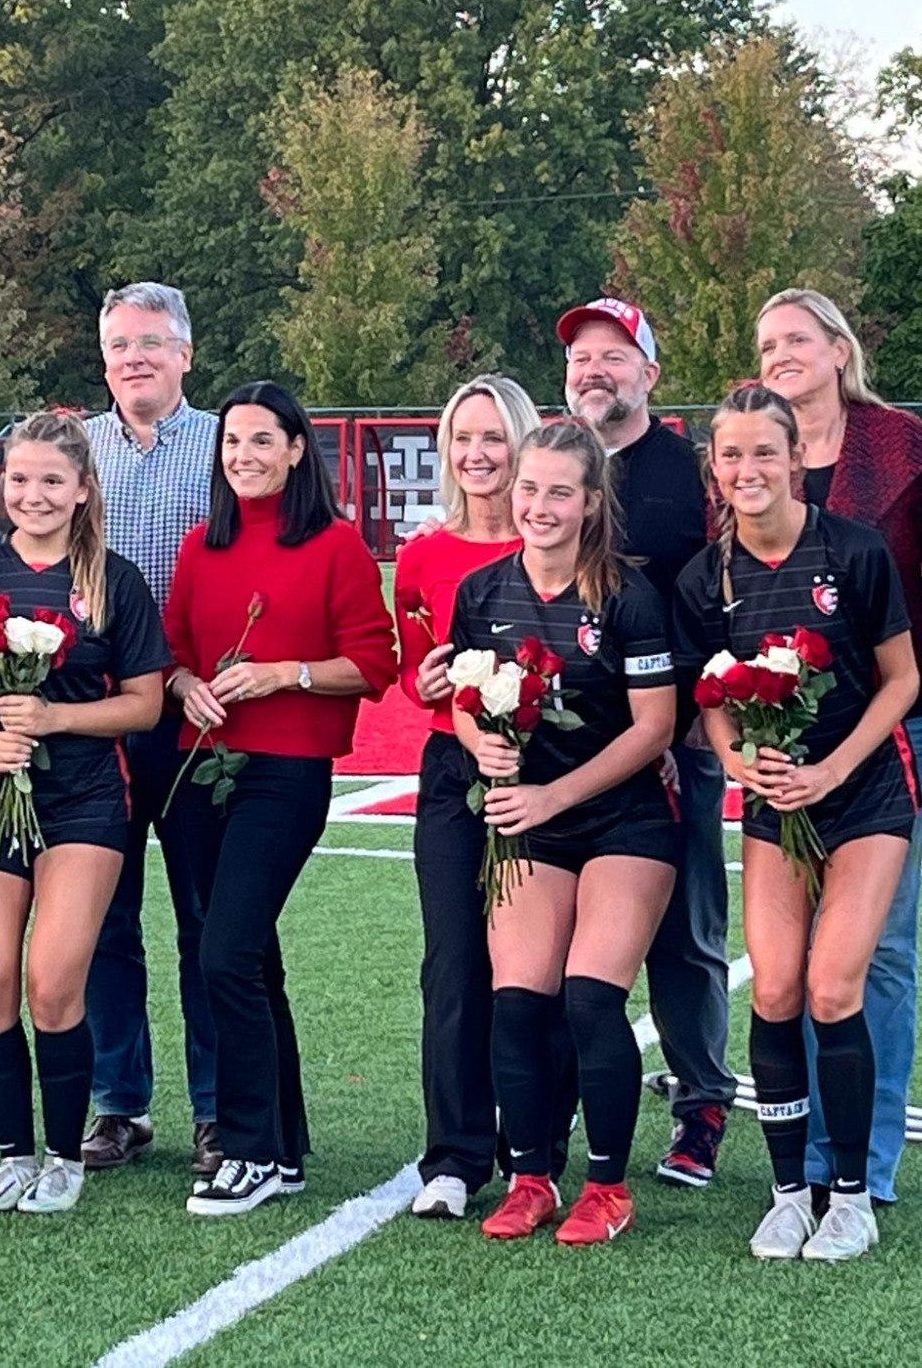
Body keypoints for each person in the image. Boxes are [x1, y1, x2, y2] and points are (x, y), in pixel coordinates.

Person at [672, 383, 919, 1263]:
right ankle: (786, 1195)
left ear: (795, 459)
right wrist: (736, 756)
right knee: (774, 990)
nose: (748, 470)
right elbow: (709, 699)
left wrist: (833, 767)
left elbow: (903, 681)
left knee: (832, 988)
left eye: (764, 452)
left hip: (864, 794)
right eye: (731, 455)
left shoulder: (852, 550)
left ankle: (849, 1197)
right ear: (716, 467)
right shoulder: (707, 577)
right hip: (774, 802)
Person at [0, 411, 170, 1215]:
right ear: (2, 484)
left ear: (83, 490)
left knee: (53, 984)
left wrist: (55, 720)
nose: (34, 494)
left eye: (52, 480)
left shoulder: (112, 581)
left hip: (87, 799)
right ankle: (13, 1154)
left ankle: (64, 1157)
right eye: (20, 479)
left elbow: (145, 704)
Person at [164, 382, 398, 1216]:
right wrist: (188, 683)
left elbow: (374, 663)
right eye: (232, 442)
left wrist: (283, 674)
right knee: (242, 956)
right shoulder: (200, 546)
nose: (244, 457)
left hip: (286, 771)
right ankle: (286, 1145)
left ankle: (249, 1147)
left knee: (226, 952)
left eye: (263, 441)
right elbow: (178, 654)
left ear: (298, 449)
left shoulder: (335, 545)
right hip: (199, 769)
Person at [753, 288, 922, 1205]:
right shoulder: (750, 439)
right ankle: (803, 1157)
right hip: (781, 730)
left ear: (840, 349)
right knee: (789, 956)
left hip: (890, 720)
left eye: (797, 338)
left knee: (880, 948)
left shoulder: (903, 445)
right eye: (766, 345)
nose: (780, 355)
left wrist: (873, 623)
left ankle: (866, 1163)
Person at [453, 421, 680, 1247]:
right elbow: (465, 699)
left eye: (560, 492)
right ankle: (532, 1176)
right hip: (531, 825)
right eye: (529, 488)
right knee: (517, 1001)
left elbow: (655, 726)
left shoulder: (627, 595)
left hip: (624, 820)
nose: (539, 506)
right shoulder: (482, 593)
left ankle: (609, 1188)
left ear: (590, 503)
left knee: (589, 999)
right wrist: (478, 738)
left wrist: (554, 796)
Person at [559, 296, 737, 1188]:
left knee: (685, 932)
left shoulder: (690, 472)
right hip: (561, 742)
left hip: (673, 738)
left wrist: (693, 722)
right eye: (582, 357)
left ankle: (702, 1101)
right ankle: (550, 1111)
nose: (594, 370)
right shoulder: (550, 463)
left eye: (614, 356)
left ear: (650, 376)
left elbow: (723, 594)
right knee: (552, 941)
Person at [81, 282, 222, 1178]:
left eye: (152, 342)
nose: (135, 356)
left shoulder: (223, 446)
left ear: (185, 354)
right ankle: (118, 1104)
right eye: (120, 344)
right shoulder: (77, 450)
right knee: (101, 918)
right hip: (95, 717)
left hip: (199, 714)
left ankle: (217, 1107)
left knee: (209, 921)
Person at [394, 374, 542, 1221]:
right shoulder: (422, 555)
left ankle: (535, 1142)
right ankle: (453, 1154)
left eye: (494, 437)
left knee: (532, 973)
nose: (478, 455)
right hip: (454, 774)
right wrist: (431, 687)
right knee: (453, 963)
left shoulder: (556, 536)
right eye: (464, 438)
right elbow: (422, 678)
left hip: (542, 779)